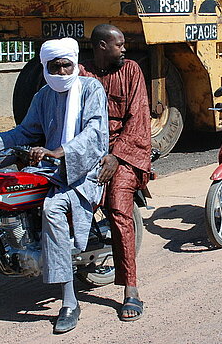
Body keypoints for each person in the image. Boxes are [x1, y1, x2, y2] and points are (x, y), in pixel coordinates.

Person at [0, 38, 108, 334]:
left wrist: (59, 152)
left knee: (51, 208)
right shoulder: (43, 95)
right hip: (50, 166)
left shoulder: (91, 89)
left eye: (66, 65)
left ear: (75, 64)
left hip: (84, 168)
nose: (62, 71)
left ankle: (70, 301)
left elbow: (94, 132)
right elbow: (26, 131)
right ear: (45, 66)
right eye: (55, 66)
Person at [79, 24, 151, 321]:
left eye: (124, 44)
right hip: (88, 149)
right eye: (118, 45)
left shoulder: (131, 70)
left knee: (119, 210)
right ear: (100, 46)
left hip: (125, 152)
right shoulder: (82, 73)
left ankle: (131, 289)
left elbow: (139, 118)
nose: (124, 49)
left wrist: (116, 156)